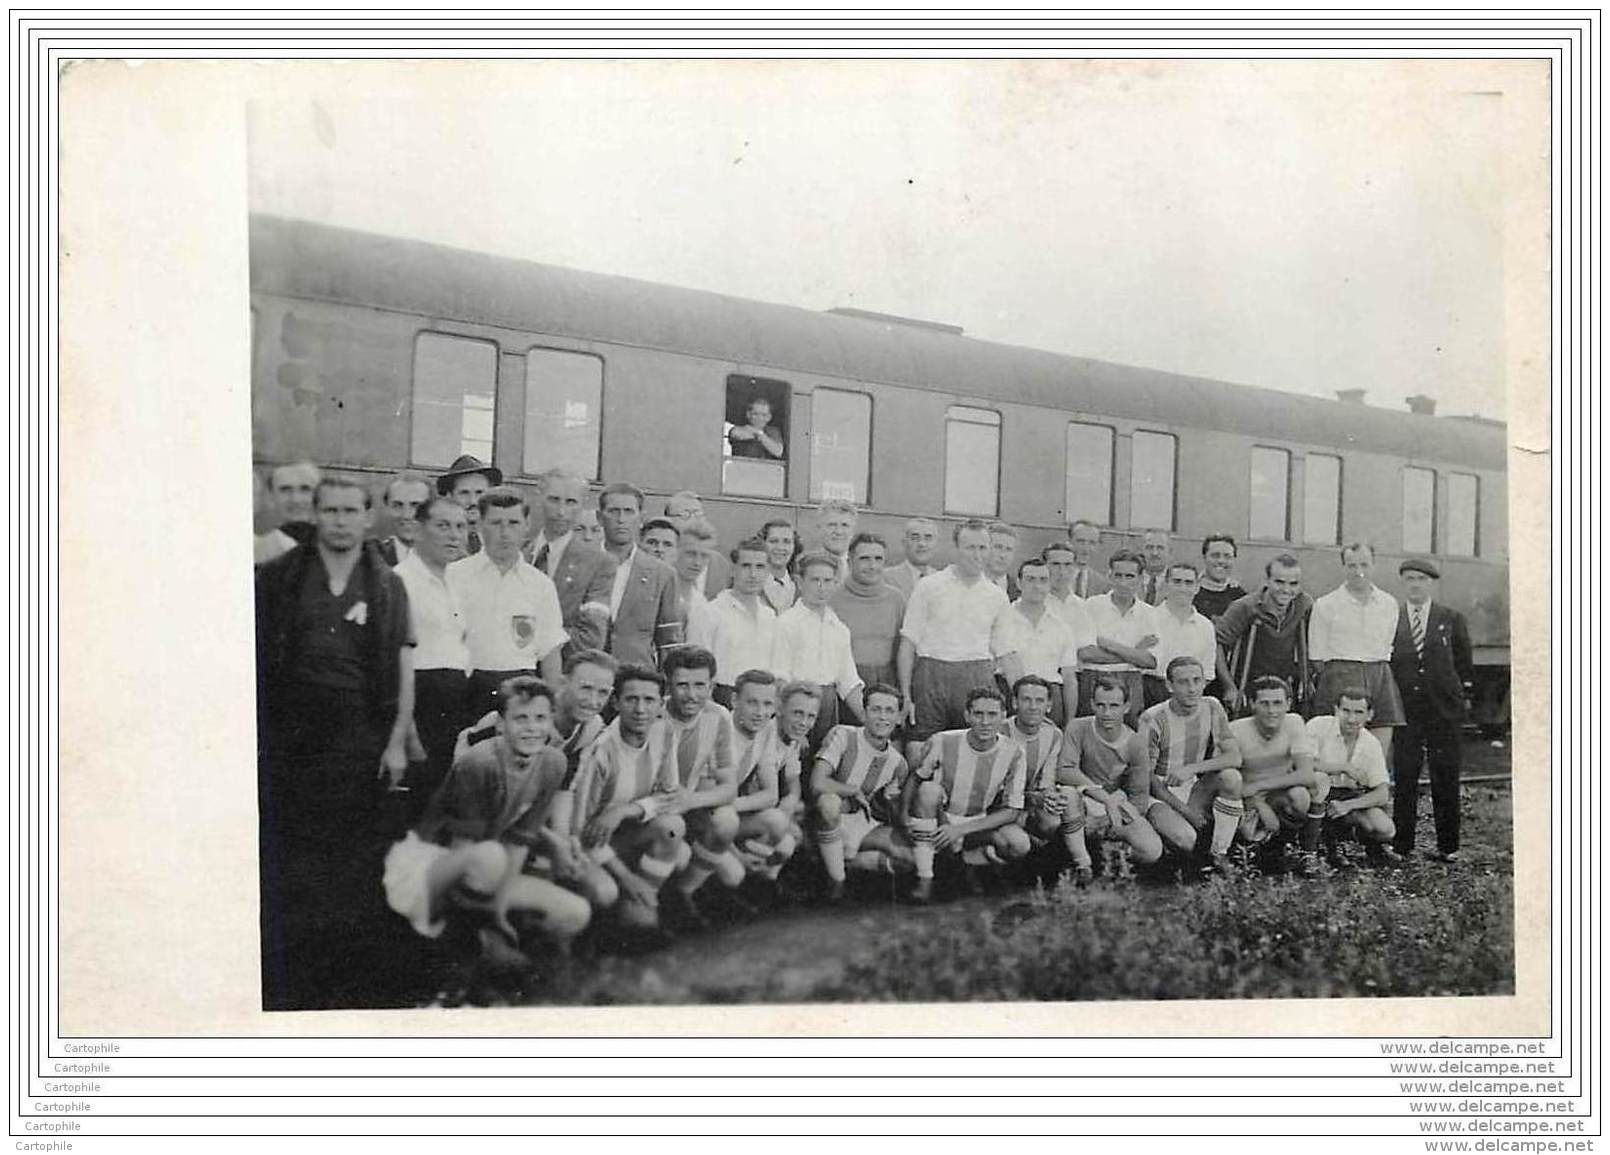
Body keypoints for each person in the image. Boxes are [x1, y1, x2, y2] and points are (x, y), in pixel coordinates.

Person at [255, 477, 416, 1010]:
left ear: (369, 518)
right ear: (316, 515)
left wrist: (395, 742)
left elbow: (401, 666)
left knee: (352, 860)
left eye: (351, 510)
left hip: (357, 734)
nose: (341, 520)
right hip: (291, 733)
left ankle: (346, 979)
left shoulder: (387, 584)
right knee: (294, 855)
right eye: (331, 510)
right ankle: (292, 979)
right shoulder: (279, 577)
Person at [382, 677, 591, 966]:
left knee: (575, 912)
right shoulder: (478, 763)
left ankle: (522, 969)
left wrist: (500, 911)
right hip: (429, 866)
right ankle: (458, 949)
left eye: (541, 718)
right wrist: (492, 918)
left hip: (488, 870)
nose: (532, 728)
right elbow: (462, 848)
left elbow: (520, 842)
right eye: (520, 718)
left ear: (551, 721)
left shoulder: (553, 762)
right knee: (490, 857)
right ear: (501, 724)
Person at [567, 664, 685, 941]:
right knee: (605, 891)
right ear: (616, 702)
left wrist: (624, 811)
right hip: (591, 845)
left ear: (660, 704)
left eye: (649, 700)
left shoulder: (664, 733)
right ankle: (597, 929)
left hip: (627, 835)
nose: (641, 709)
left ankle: (639, 906)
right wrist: (626, 877)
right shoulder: (600, 751)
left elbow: (671, 796)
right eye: (631, 699)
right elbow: (579, 830)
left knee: (672, 827)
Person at [896, 519, 1011, 765]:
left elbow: (1006, 653)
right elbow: (907, 644)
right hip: (931, 676)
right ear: (956, 548)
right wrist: (906, 695)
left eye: (983, 548)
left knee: (972, 751)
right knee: (921, 748)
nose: (977, 555)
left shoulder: (996, 595)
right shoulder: (929, 586)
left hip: (976, 676)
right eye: (970, 548)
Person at [903, 687, 1031, 902]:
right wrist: (903, 814)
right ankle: (925, 879)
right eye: (978, 714)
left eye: (992, 715)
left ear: (1003, 717)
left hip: (975, 821)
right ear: (967, 715)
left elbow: (1012, 811)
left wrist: (960, 830)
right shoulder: (942, 741)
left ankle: (967, 861)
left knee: (1018, 843)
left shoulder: (1014, 752)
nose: (985, 721)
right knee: (928, 790)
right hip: (940, 818)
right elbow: (915, 778)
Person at [446, 487, 566, 717]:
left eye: (513, 523)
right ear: (480, 524)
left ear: (527, 525)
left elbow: (550, 654)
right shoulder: (454, 576)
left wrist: (551, 713)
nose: (504, 533)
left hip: (522, 690)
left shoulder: (540, 584)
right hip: (466, 688)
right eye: (495, 523)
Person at [392, 493, 472, 817]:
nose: (454, 535)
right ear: (419, 529)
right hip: (419, 706)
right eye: (443, 526)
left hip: (453, 706)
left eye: (461, 527)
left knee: (441, 807)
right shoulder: (400, 581)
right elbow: (395, 666)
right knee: (413, 805)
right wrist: (408, 734)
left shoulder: (455, 580)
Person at [1390, 558, 1474, 862]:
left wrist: (1460, 699)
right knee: (1405, 776)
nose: (1415, 584)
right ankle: (1402, 846)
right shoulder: (1393, 617)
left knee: (1446, 777)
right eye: (1409, 578)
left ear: (1431, 583)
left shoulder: (1450, 619)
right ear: (1403, 582)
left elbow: (1464, 663)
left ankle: (1448, 846)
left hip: (1443, 712)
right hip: (1407, 711)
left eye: (1421, 579)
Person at [658, 648, 748, 930]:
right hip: (653, 812)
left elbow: (729, 789)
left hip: (688, 808)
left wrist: (691, 801)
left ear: (711, 685)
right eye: (682, 685)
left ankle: (684, 894)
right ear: (668, 684)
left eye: (700, 685)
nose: (692, 694)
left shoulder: (717, 716)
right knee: (678, 851)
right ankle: (653, 902)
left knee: (728, 835)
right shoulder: (652, 713)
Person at [1128, 656, 1244, 873]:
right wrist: (1184, 811)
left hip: (1192, 783)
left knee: (1232, 778)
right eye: (1183, 682)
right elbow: (1147, 778)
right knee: (1185, 839)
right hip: (1160, 792)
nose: (1192, 689)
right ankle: (1164, 852)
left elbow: (1234, 758)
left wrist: (1191, 769)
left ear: (1204, 682)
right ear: (1169, 686)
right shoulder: (1152, 718)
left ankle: (1220, 854)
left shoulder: (1212, 706)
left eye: (1196, 681)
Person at [809, 683, 912, 902]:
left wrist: (892, 807)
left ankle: (837, 861)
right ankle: (837, 881)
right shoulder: (843, 735)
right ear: (864, 713)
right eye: (876, 709)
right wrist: (851, 790)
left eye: (889, 711)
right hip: (829, 817)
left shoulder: (898, 763)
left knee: (907, 858)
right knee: (829, 802)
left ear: (897, 717)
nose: (882, 717)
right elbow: (817, 783)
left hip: (861, 824)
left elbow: (886, 807)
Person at [1308, 542, 1404, 760]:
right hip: (1340, 675)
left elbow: (1389, 643)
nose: (1359, 572)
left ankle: (1374, 789)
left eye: (1364, 564)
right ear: (1343, 567)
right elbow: (1317, 656)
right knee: (1337, 749)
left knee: (1378, 747)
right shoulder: (1326, 604)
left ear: (1374, 565)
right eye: (1351, 566)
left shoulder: (1388, 603)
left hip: (1379, 674)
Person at [1057, 676, 1166, 867]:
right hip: (1083, 799)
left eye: (1114, 706)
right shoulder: (1077, 727)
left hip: (1116, 805)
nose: (1106, 713)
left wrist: (1108, 820)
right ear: (1092, 704)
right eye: (1100, 705)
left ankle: (1107, 857)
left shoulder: (1135, 742)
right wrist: (1104, 799)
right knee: (1068, 795)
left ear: (1126, 706)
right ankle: (1079, 861)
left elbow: (1139, 797)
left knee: (1151, 849)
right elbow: (1065, 771)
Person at [1230, 675, 1327, 873]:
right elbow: (1225, 779)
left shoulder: (1293, 722)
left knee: (1315, 784)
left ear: (1288, 704)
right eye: (1264, 703)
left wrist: (1261, 788)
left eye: (1277, 703)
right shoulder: (1236, 730)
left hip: (1275, 792)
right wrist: (1256, 801)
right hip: (1246, 799)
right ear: (1252, 704)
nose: (1272, 710)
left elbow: (1306, 773)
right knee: (1249, 833)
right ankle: (1250, 850)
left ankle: (1307, 851)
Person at [1000, 675, 1091, 882]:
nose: (1033, 707)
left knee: (1065, 798)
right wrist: (1035, 798)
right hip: (1001, 808)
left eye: (1039, 701)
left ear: (1049, 705)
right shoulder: (1001, 731)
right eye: (1026, 700)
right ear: (1014, 703)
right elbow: (994, 790)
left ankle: (1082, 865)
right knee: (1016, 841)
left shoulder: (1054, 735)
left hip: (1030, 803)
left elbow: (1047, 783)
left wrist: (1049, 797)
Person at [775, 551, 866, 752]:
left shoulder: (839, 628)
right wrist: (795, 727)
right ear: (800, 582)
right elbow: (781, 678)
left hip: (826, 708)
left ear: (835, 583)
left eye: (827, 580)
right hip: (796, 707)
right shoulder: (786, 624)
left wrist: (867, 719)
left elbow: (848, 681)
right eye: (815, 580)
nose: (821, 587)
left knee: (821, 764)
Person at [523, 467, 617, 657]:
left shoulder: (599, 563)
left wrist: (522, 638)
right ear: (539, 498)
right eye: (554, 500)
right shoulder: (519, 552)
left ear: (582, 505)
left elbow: (591, 638)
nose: (561, 511)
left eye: (571, 502)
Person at [726, 670, 799, 896]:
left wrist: (729, 805)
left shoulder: (765, 730)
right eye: (752, 703)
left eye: (767, 705)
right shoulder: (721, 730)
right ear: (734, 700)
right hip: (701, 820)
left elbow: (771, 795)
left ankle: (755, 886)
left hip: (726, 809)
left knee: (779, 826)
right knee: (733, 873)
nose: (760, 713)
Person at [1307, 687, 1399, 865]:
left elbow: (1382, 793)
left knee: (1384, 828)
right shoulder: (1318, 726)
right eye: (1346, 711)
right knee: (1319, 782)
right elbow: (1304, 764)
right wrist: (1342, 767)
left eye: (1359, 712)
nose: (1351, 719)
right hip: (1314, 791)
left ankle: (1369, 846)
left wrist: (1348, 805)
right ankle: (1313, 848)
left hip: (1346, 796)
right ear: (1336, 710)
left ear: (1369, 715)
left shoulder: (1370, 743)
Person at [991, 556, 1087, 726]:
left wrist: (1070, 722)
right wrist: (1028, 705)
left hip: (1051, 699)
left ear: (1050, 585)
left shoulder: (1061, 625)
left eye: (1043, 580)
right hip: (1012, 696)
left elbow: (1069, 678)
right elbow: (1010, 666)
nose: (1037, 586)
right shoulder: (1002, 617)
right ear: (1019, 583)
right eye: (1030, 580)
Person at [1216, 553, 1314, 718]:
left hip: (1283, 687)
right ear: (1267, 581)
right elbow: (1218, 644)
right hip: (1249, 686)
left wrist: (1307, 677)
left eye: (1293, 584)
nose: (1286, 590)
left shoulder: (1303, 605)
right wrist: (1229, 687)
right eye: (1279, 582)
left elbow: (1312, 643)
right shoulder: (1245, 607)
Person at [686, 536, 780, 706]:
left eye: (759, 567)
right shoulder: (710, 612)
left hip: (762, 701)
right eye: (746, 566)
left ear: (767, 572)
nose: (753, 574)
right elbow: (697, 669)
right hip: (723, 696)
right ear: (733, 569)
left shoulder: (770, 616)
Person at [597, 483, 682, 669]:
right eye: (613, 511)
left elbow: (669, 644)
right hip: (588, 675)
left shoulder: (662, 574)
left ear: (641, 518)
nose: (621, 519)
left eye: (629, 511)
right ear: (599, 517)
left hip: (637, 679)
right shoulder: (582, 564)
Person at [1076, 549, 1159, 726]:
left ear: (1140, 578)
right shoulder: (1091, 605)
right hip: (1094, 679)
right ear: (1110, 576)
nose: (1123, 582)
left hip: (1132, 681)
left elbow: (1150, 661)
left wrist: (1109, 645)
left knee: (1129, 735)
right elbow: (1086, 653)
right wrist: (1134, 652)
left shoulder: (1150, 614)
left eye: (1129, 576)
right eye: (1118, 575)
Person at [830, 532, 907, 689]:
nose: (872, 566)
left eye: (878, 559)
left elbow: (903, 650)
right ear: (850, 562)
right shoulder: (832, 599)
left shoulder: (896, 599)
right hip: (844, 684)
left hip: (887, 685)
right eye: (864, 559)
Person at [1147, 561, 1219, 710]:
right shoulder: (1148, 618)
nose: (1182, 588)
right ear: (1166, 585)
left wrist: (1188, 693)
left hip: (1190, 698)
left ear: (1197, 587)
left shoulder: (1205, 626)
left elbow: (1207, 673)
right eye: (1177, 582)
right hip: (1151, 693)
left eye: (1188, 583)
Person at [254, 460, 320, 566]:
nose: (296, 499)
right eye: (285, 490)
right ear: (270, 497)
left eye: (305, 489)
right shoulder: (259, 551)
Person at [663, 491, 730, 595]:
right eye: (685, 515)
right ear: (668, 519)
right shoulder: (662, 557)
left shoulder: (720, 563)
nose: (693, 520)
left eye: (698, 514)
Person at [437, 454, 502, 556]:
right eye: (464, 493)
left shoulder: (501, 540)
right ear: (450, 496)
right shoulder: (436, 543)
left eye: (479, 492)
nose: (473, 501)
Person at [670, 517, 721, 638]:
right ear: (676, 551)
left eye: (704, 556)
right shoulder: (661, 593)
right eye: (691, 554)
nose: (697, 562)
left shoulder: (701, 603)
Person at [374, 471, 432, 567]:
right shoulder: (371, 561)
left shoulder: (451, 561)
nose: (406, 515)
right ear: (387, 508)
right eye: (397, 505)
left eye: (415, 506)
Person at [884, 517, 940, 599]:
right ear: (904, 542)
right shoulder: (886, 578)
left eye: (928, 538)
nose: (922, 544)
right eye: (915, 538)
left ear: (936, 544)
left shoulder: (942, 580)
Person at [1194, 534, 1247, 621]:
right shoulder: (1191, 592)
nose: (1221, 561)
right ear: (1204, 558)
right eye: (1215, 556)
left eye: (1227, 556)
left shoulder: (1240, 597)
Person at [758, 518, 800, 611]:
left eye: (787, 542)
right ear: (762, 544)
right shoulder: (751, 584)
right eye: (773, 541)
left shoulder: (803, 587)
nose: (780, 547)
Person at [727, 395, 785, 460]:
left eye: (764, 415)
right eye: (756, 414)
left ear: (769, 417)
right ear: (748, 414)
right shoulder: (739, 429)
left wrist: (759, 434)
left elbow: (778, 451)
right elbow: (736, 433)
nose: (760, 418)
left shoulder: (774, 431)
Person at [1041, 539, 1086, 623]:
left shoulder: (1083, 607)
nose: (1062, 571)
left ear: (1074, 567)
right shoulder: (1033, 603)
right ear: (1044, 567)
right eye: (1055, 564)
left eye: (1067, 564)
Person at [815, 499, 859, 583]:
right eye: (832, 525)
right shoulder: (805, 567)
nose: (838, 531)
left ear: (853, 530)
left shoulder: (862, 568)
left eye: (845, 525)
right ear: (819, 528)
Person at [1067, 520, 1110, 600]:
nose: (1086, 548)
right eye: (1080, 542)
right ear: (1069, 542)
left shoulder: (1102, 584)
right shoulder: (1052, 577)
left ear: (1098, 547)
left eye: (1092, 543)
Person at [985, 521, 1021, 600]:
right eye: (998, 547)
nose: (1003, 555)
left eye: (1009, 549)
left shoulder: (1021, 593)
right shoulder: (964, 586)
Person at [1138, 529, 1171, 605]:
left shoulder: (1177, 583)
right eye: (1149, 547)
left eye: (1160, 548)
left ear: (1170, 551)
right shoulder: (1130, 579)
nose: (1154, 553)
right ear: (1141, 550)